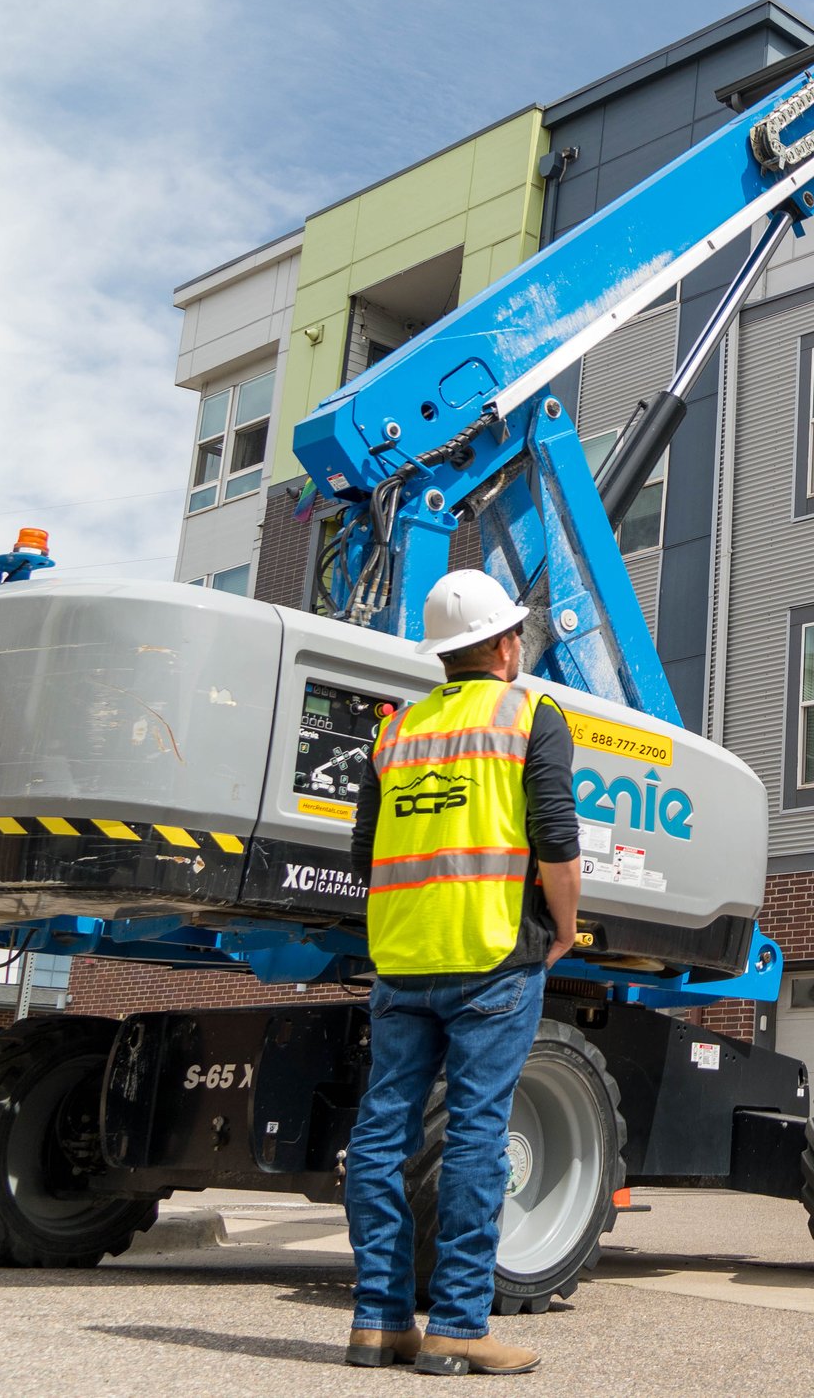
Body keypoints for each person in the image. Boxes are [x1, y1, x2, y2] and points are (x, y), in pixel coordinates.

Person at [342, 569, 584, 1376]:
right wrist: (567, 927)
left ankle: (377, 1323)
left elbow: (362, 853)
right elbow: (555, 837)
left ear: (444, 654)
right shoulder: (531, 715)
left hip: (403, 959)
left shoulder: (397, 730)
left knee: (381, 1137)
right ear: (508, 644)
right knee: (479, 1134)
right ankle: (455, 1326)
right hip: (493, 957)